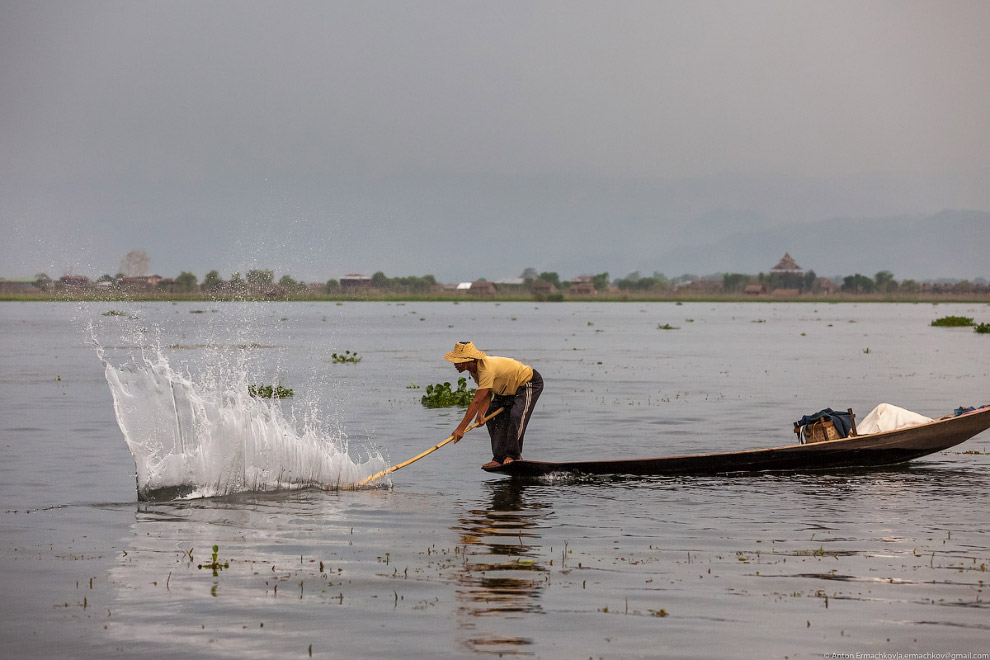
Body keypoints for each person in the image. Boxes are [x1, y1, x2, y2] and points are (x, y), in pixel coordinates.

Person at [444, 341, 543, 469]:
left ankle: (513, 456)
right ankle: (499, 458)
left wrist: (460, 429)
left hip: (527, 383)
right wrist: (481, 414)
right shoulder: (474, 370)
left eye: (458, 362)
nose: (455, 365)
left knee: (516, 416)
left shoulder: (486, 369)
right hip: (506, 391)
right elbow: (487, 394)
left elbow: (476, 401)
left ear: (470, 361)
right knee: (491, 417)